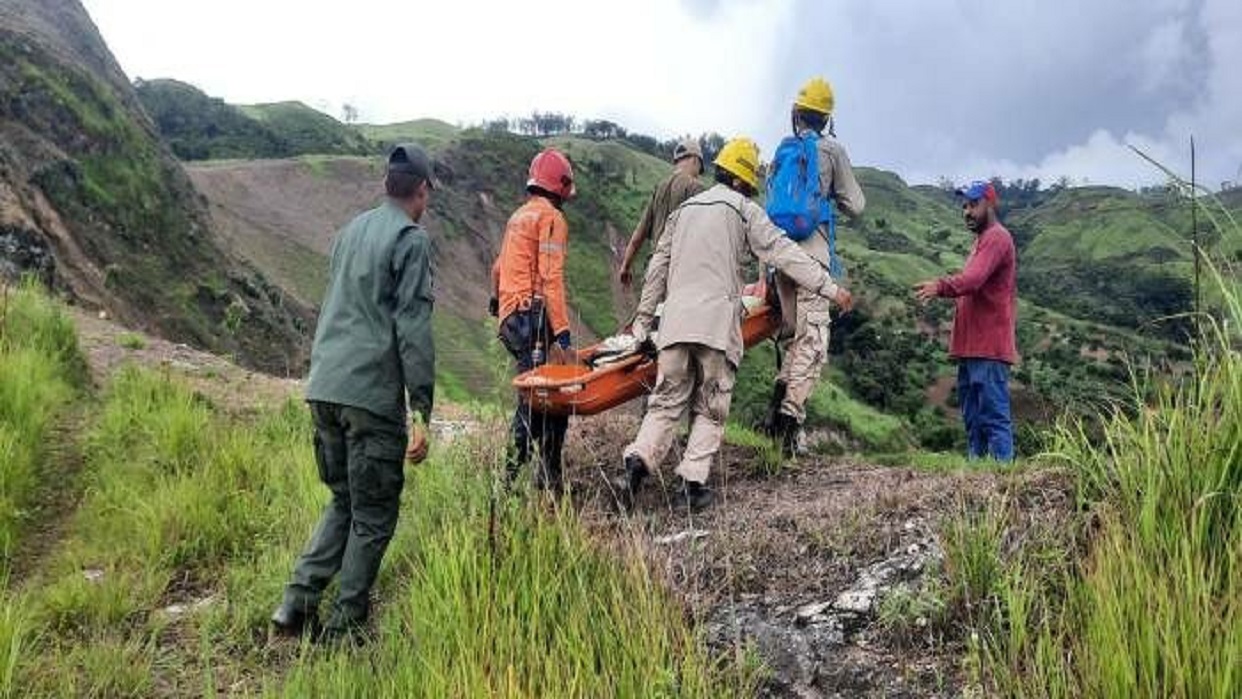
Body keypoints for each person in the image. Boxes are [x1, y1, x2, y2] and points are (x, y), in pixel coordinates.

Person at [614, 137, 854, 511]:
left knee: (664, 403)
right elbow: (785, 253)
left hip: (674, 325)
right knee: (711, 406)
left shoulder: (684, 212)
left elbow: (657, 268)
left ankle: (635, 466)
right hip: (715, 328)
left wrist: (644, 322)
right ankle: (691, 487)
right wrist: (829, 287)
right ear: (744, 181)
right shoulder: (744, 210)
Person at [271, 144, 437, 643]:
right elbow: (413, 326)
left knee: (344, 500)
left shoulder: (349, 233)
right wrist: (421, 410)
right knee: (373, 513)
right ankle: (345, 625)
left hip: (324, 387)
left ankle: (295, 604)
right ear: (422, 190)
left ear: (388, 183)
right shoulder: (410, 239)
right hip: (369, 397)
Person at [764, 77, 866, 456]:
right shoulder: (831, 151)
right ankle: (789, 428)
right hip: (814, 259)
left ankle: (774, 418)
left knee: (793, 339)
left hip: (779, 260)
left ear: (797, 113)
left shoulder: (782, 150)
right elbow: (856, 204)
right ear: (827, 118)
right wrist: (829, 198)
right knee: (814, 343)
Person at [490, 148, 577, 491]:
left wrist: (497, 304)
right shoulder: (551, 219)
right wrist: (565, 335)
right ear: (560, 186)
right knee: (539, 401)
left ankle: (551, 480)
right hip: (533, 318)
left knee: (549, 399)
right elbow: (551, 279)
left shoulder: (519, 217)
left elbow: (497, 269)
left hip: (512, 319)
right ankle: (507, 485)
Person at [914, 180, 1018, 462]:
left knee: (994, 418)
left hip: (989, 347)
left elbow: (972, 281)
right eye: (964, 206)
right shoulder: (980, 242)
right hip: (971, 349)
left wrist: (940, 286)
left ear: (989, 204)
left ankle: (1003, 482)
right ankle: (978, 477)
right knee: (974, 421)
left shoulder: (997, 238)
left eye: (973, 204)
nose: (967, 212)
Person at [617, 138, 706, 287]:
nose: (698, 174)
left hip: (654, 271)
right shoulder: (696, 188)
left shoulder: (660, 188)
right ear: (695, 160)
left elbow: (637, 237)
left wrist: (625, 266)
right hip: (680, 273)